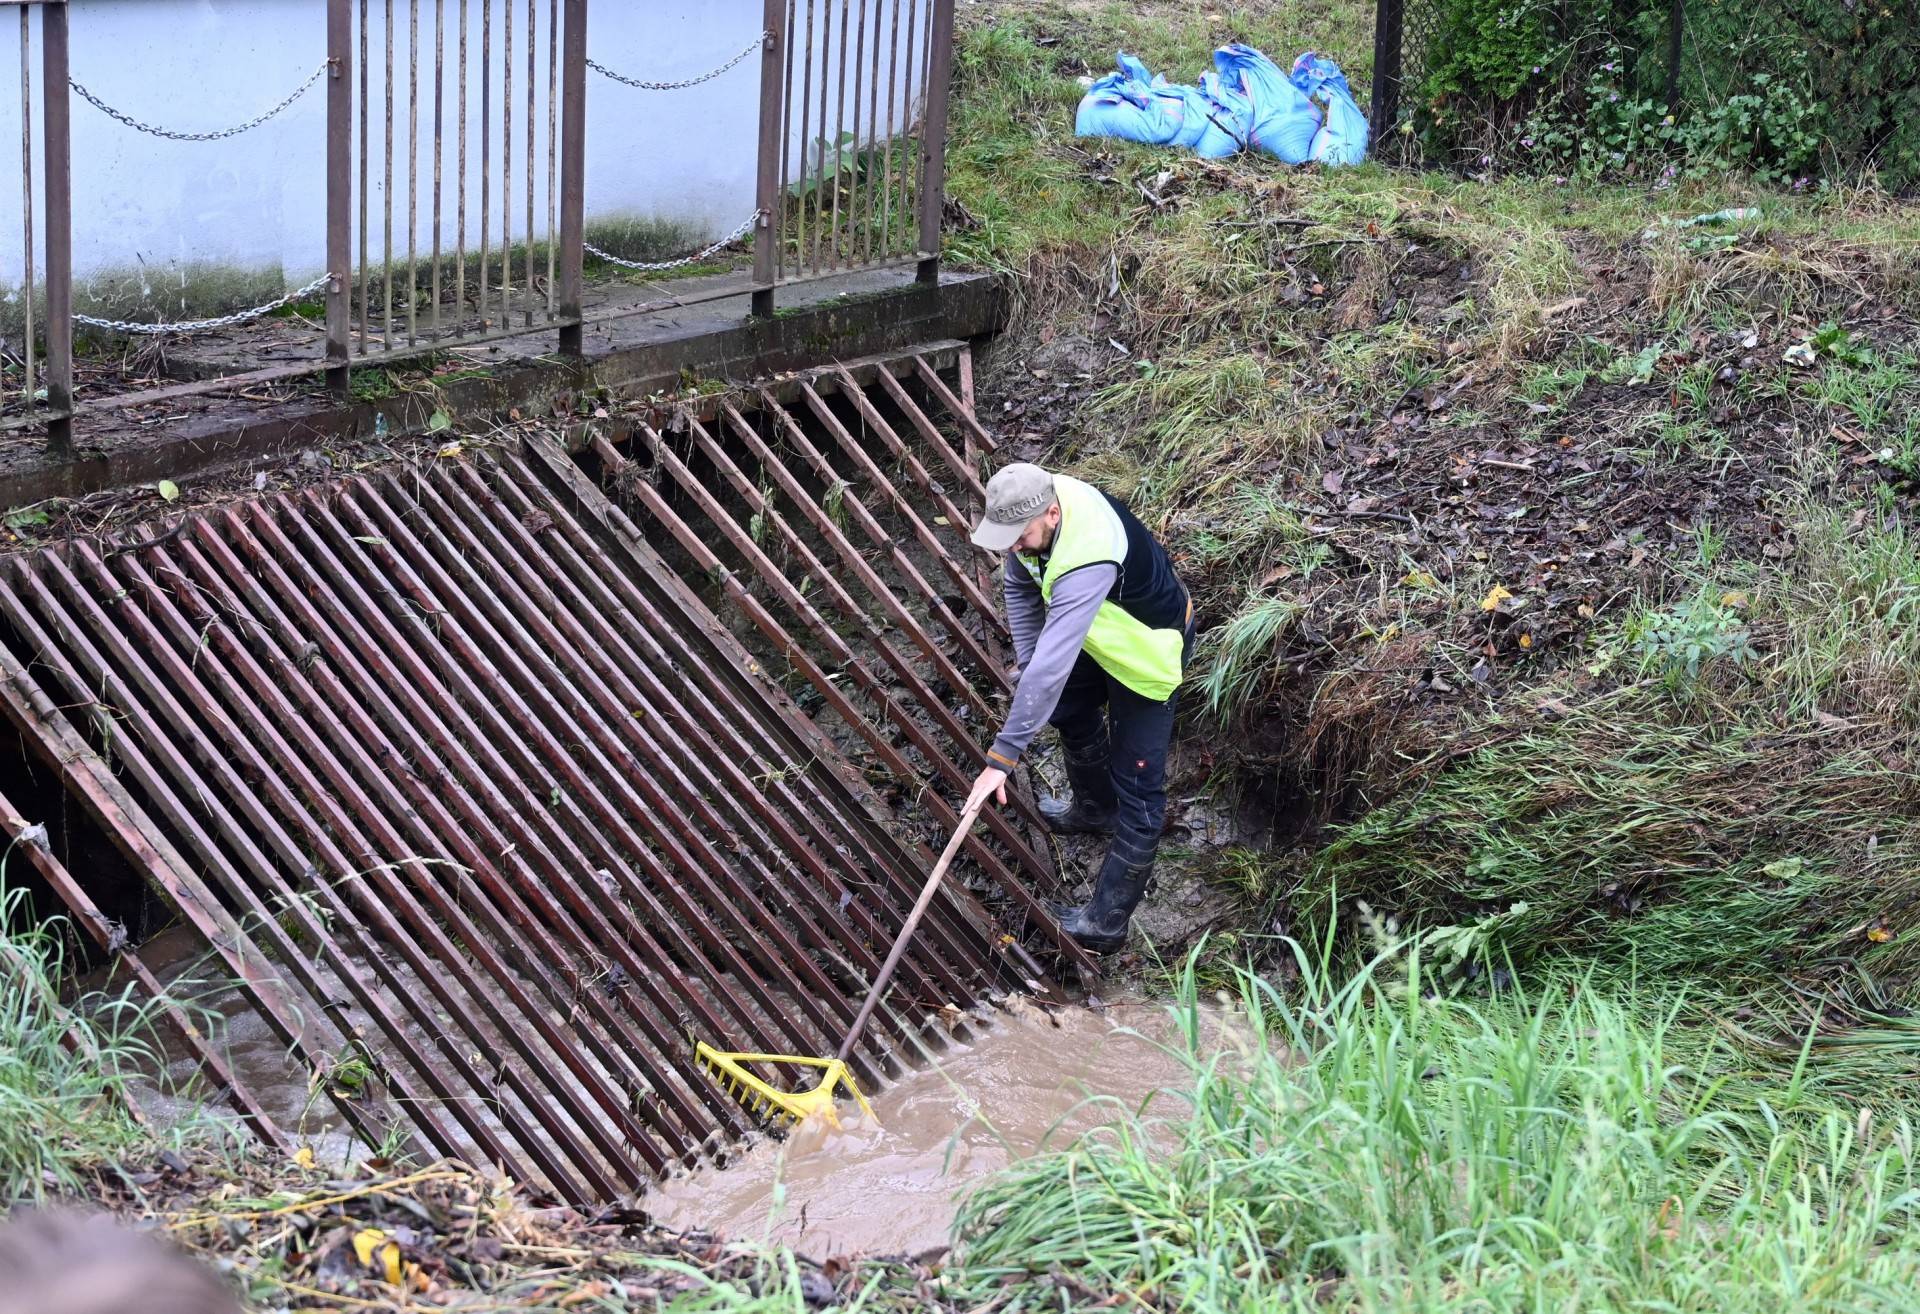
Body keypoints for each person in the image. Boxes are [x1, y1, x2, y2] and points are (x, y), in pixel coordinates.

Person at [964, 462, 1192, 953]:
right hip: (1099, 633)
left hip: (1145, 651)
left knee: (1140, 787)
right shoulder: (1032, 517)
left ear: (1051, 513)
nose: (1012, 547)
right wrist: (1028, 663)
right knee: (1068, 708)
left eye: (1018, 536)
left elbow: (1051, 668)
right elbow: (1020, 587)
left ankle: (1105, 923)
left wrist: (1002, 759)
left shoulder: (1086, 556)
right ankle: (1093, 808)